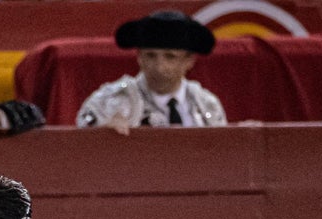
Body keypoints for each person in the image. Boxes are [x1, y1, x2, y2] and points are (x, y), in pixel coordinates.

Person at [77, 10, 226, 132]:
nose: (159, 67)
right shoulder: (108, 102)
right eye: (150, 55)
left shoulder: (207, 104)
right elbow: (80, 154)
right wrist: (102, 136)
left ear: (189, 61)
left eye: (170, 57)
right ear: (139, 57)